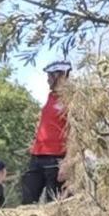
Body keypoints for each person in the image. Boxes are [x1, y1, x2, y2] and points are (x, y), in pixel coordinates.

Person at [21, 60, 71, 204]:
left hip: (56, 159)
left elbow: (76, 133)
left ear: (59, 76)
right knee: (27, 200)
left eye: (50, 76)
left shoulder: (71, 100)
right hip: (37, 156)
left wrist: (68, 162)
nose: (47, 79)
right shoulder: (50, 97)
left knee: (54, 204)